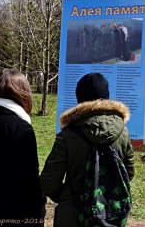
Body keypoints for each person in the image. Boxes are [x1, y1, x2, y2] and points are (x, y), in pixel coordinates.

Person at [40, 72, 135, 227]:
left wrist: (67, 197)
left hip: (72, 215)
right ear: (107, 96)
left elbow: (49, 180)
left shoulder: (68, 134)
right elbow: (128, 172)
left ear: (78, 98)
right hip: (110, 214)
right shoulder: (122, 132)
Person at [0, 68, 46, 226]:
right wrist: (40, 211)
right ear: (22, 92)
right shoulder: (22, 128)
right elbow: (30, 178)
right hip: (19, 209)